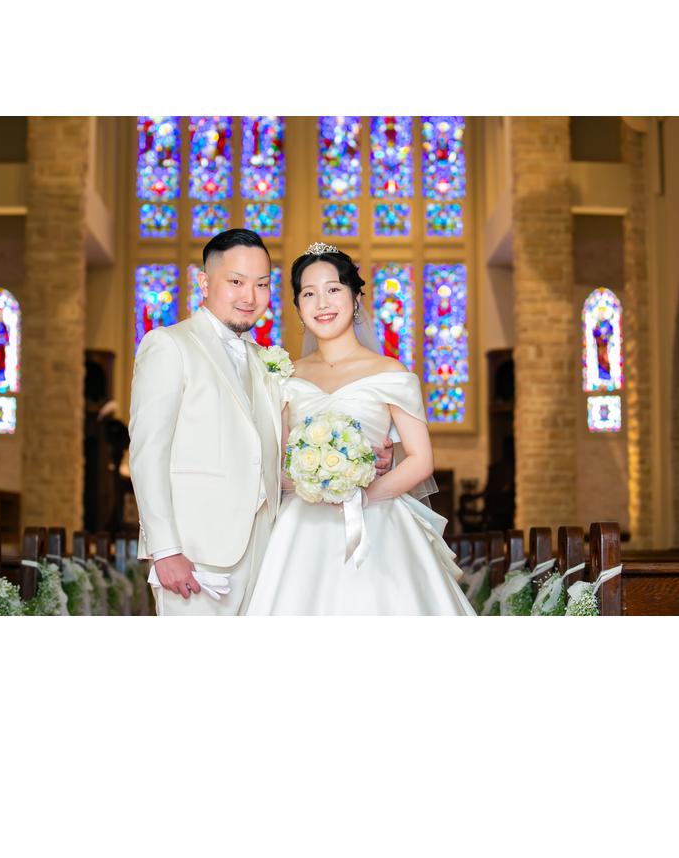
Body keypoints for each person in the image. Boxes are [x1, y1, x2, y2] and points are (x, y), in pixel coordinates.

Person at [128, 229, 393, 616]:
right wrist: (165, 549)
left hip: (267, 551)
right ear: (204, 283)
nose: (250, 297)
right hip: (196, 554)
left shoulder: (266, 361)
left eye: (262, 284)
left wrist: (360, 460)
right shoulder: (169, 345)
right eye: (236, 282)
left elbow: (279, 452)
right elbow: (147, 453)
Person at [247, 242, 476, 616]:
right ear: (298, 307)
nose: (322, 303)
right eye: (309, 293)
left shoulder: (390, 372)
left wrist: (364, 495)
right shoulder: (286, 376)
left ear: (355, 298)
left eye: (333, 289)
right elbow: (279, 462)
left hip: (378, 521)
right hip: (303, 526)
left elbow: (420, 460)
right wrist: (309, 481)